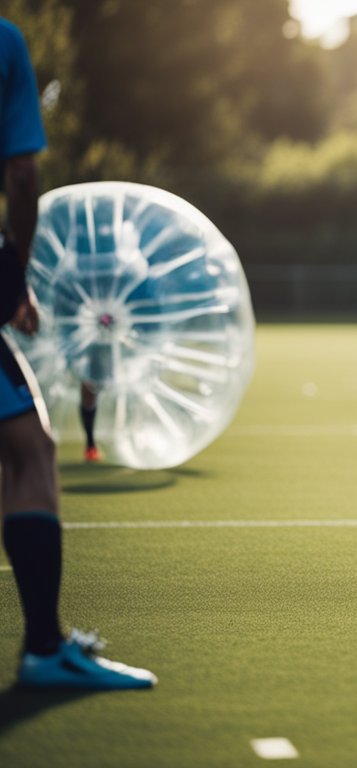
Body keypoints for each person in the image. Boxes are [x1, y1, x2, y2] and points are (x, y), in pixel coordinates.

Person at [0, 19, 156, 688]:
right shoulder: (5, 43)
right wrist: (14, 278)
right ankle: (42, 647)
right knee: (31, 449)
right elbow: (24, 174)